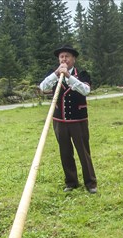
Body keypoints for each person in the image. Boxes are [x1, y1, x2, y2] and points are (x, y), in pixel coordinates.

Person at [39, 44, 98, 194]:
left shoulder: (82, 74)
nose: (64, 59)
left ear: (73, 59)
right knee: (65, 152)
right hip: (60, 120)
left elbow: (85, 91)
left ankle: (90, 183)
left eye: (67, 56)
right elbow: (43, 87)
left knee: (83, 152)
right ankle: (71, 182)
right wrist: (56, 74)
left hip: (78, 120)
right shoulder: (53, 74)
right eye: (61, 57)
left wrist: (69, 77)